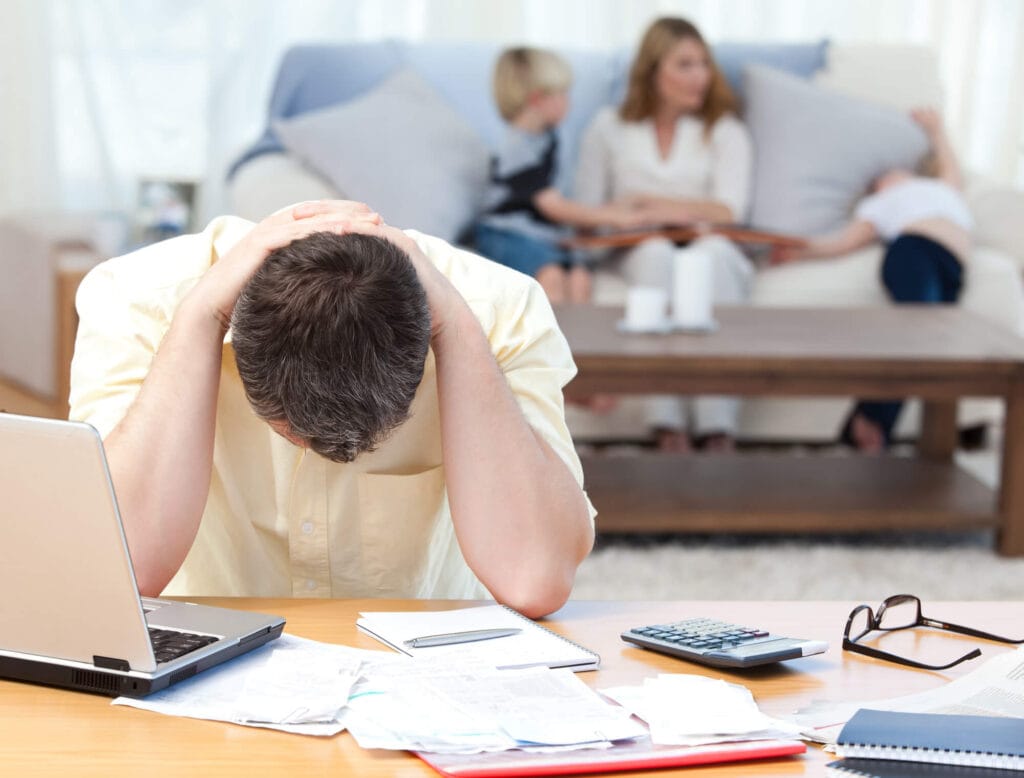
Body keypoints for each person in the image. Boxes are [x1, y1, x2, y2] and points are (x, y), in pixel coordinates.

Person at [69, 199, 595, 619]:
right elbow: (112, 573)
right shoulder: (135, 299)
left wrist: (455, 327)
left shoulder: (500, 309)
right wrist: (201, 319)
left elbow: (535, 577)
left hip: (419, 669)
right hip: (205, 667)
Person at [575, 17, 754, 453]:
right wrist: (627, 215)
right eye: (685, 64)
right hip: (637, 244)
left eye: (704, 64)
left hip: (709, 240)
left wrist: (655, 206)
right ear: (655, 72)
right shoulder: (608, 126)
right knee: (656, 255)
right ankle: (665, 423)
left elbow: (730, 211)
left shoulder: (725, 130)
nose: (701, 77)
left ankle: (717, 426)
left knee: (710, 257)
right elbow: (587, 211)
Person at [774, 108, 971, 453]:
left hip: (951, 268)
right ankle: (872, 422)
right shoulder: (878, 205)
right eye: (880, 177)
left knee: (930, 344)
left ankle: (866, 420)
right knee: (918, 330)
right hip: (913, 253)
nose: (890, 175)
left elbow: (950, 164)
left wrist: (937, 129)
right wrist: (799, 252)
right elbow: (840, 243)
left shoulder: (942, 187)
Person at [474, 46, 647, 303]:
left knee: (580, 277)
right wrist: (614, 217)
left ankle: (579, 342)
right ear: (537, 99)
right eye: (562, 94)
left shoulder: (550, 138)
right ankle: (548, 342)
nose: (569, 102)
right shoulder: (516, 147)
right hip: (507, 234)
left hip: (544, 237)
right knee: (551, 275)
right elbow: (552, 206)